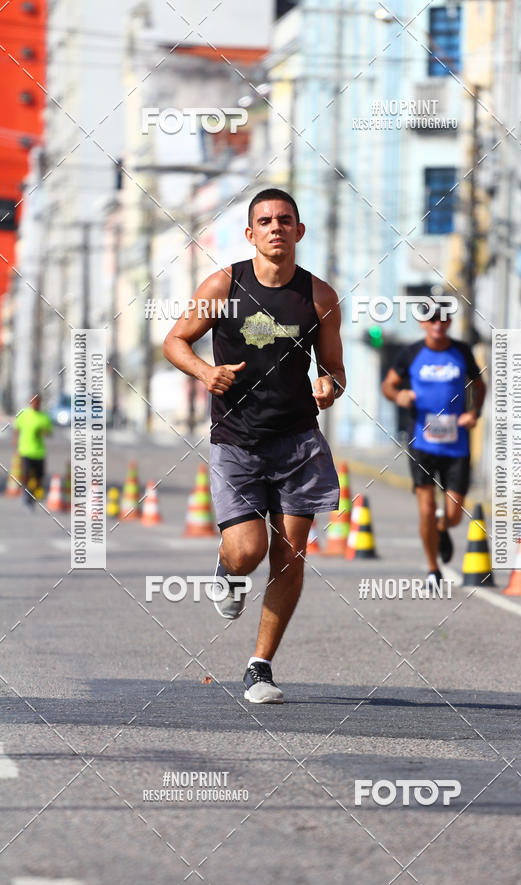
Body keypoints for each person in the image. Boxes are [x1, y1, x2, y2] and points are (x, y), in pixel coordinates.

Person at [163, 188, 345, 704]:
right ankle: (227, 568)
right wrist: (206, 371)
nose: (275, 228)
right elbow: (175, 341)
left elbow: (335, 366)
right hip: (237, 441)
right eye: (264, 220)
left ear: (299, 231)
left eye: (285, 220)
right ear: (250, 233)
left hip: (298, 442)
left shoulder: (320, 297)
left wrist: (331, 383)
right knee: (249, 551)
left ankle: (259, 668)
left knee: (288, 558)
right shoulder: (224, 284)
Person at [381, 306, 486, 585]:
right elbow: (388, 385)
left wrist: (474, 413)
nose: (439, 324)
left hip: (457, 445)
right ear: (422, 323)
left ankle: (442, 527)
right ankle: (432, 568)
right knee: (426, 508)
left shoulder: (461, 351)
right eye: (432, 319)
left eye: (444, 319)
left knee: (453, 515)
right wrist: (399, 395)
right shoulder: (411, 353)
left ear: (450, 321)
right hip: (422, 443)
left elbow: (479, 385)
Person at [13, 393, 53, 508]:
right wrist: (15, 440)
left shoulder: (44, 417)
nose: (35, 404)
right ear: (30, 402)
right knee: (26, 473)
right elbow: (17, 428)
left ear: (40, 403)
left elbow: (49, 432)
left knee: (40, 476)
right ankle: (25, 493)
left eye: (37, 402)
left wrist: (43, 431)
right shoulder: (24, 414)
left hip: (39, 451)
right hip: (25, 449)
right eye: (33, 402)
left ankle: (32, 494)